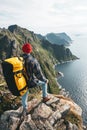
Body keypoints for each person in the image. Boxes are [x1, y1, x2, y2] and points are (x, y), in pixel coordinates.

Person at [22, 43, 51, 112]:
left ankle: (25, 108)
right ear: (30, 50)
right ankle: (44, 97)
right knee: (44, 83)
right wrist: (45, 80)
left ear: (23, 50)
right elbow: (39, 74)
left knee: (24, 94)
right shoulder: (33, 61)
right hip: (30, 81)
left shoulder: (20, 59)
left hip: (22, 81)